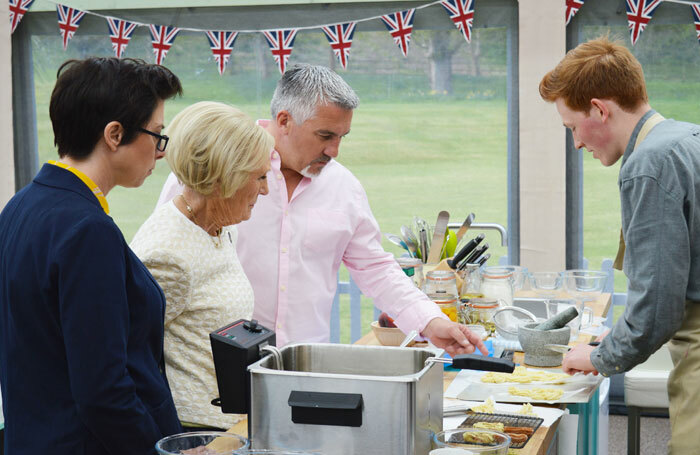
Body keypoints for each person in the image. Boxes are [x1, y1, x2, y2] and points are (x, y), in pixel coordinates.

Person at [158, 64, 486, 356]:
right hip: (217, 370)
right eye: (325, 135)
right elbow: (164, 267)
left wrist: (430, 320)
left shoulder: (345, 187)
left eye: (342, 136)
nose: (335, 151)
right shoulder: (208, 173)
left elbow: (375, 268)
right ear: (284, 120)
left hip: (307, 365)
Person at [0, 57, 183, 455]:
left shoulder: (21, 206)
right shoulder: (88, 230)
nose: (160, 152)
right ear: (115, 134)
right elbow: (103, 390)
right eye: (156, 134)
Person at [539, 37, 700, 453]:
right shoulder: (685, 137)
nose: (576, 143)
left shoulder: (648, 165)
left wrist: (599, 357)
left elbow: (660, 304)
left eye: (573, 126)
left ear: (600, 109)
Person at [131, 102, 273, 431]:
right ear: (224, 179)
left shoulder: (220, 227)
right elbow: (128, 360)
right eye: (259, 177)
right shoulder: (167, 256)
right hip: (193, 433)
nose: (265, 189)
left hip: (230, 424)